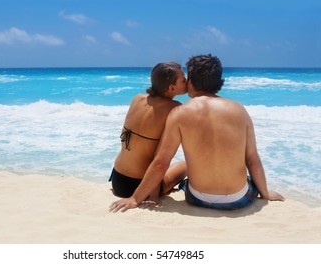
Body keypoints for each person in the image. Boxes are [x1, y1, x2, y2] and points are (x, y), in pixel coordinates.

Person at [110, 54, 284, 212]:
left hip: (195, 198)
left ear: (192, 81)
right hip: (237, 200)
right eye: (182, 79)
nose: (185, 82)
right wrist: (265, 193)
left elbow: (161, 162)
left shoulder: (175, 111)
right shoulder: (240, 111)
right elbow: (253, 160)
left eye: (187, 78)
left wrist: (135, 199)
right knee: (237, 176)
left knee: (188, 167)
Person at [109, 61, 187, 201]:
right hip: (139, 185)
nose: (187, 81)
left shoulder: (137, 99)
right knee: (185, 166)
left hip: (117, 178)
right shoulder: (174, 108)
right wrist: (153, 193)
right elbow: (159, 159)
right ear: (171, 87)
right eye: (183, 79)